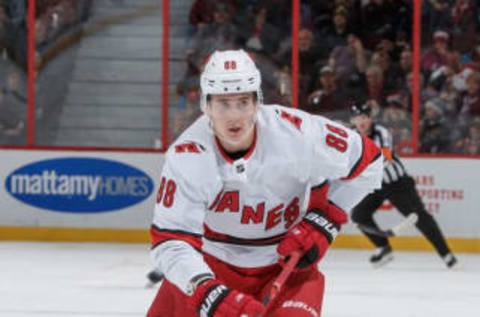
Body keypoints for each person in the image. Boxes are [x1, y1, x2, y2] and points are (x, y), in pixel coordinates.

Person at [147, 49, 383, 317]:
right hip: (212, 266)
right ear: (206, 105)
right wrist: (207, 293)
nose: (234, 116)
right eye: (223, 103)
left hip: (287, 268)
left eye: (243, 102)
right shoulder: (188, 155)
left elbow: (371, 161)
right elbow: (170, 241)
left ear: (257, 102)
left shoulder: (298, 133)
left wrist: (325, 219)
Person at [349, 102, 458, 268]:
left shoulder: (382, 133)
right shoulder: (352, 137)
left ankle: (446, 254)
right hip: (376, 185)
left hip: (398, 183)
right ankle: (383, 248)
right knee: (359, 215)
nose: (362, 121)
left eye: (365, 117)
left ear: (371, 118)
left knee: (419, 217)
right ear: (353, 120)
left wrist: (359, 170)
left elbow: (385, 157)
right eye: (358, 118)